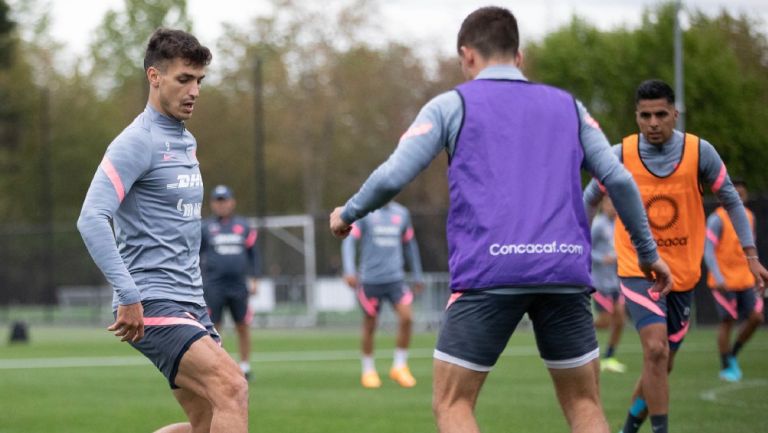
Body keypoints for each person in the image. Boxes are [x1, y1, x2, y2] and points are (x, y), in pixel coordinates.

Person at [330, 7, 672, 433]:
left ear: (467, 56)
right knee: (585, 403)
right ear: (520, 57)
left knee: (453, 404)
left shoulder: (451, 105)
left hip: (490, 272)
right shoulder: (569, 107)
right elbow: (619, 179)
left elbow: (395, 174)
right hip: (563, 271)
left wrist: (348, 212)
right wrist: (648, 253)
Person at [77, 29, 248, 433]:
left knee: (205, 421)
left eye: (199, 81)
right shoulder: (137, 141)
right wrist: (128, 293)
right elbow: (91, 217)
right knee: (233, 388)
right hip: (152, 301)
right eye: (183, 79)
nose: (194, 91)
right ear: (155, 77)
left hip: (191, 302)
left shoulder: (185, 141)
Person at [583, 79, 768, 433]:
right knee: (655, 350)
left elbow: (730, 199)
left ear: (675, 114)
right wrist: (574, 251)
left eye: (661, 114)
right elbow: (590, 198)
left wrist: (751, 256)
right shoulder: (621, 154)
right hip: (638, 269)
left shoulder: (700, 153)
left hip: (683, 274)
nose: (653, 123)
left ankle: (628, 429)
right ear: (636, 116)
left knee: (661, 363)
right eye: (645, 115)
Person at [341, 201, 424, 389]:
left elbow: (410, 245)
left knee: (407, 318)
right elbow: (349, 241)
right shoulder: (365, 211)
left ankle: (400, 366)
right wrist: (349, 270)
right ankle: (368, 370)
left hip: (395, 279)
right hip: (370, 280)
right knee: (370, 325)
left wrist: (417, 274)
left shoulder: (402, 213)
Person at [704, 180, 764, 382]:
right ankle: (726, 365)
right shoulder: (717, 219)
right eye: (735, 194)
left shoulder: (749, 217)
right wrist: (718, 276)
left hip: (746, 279)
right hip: (724, 281)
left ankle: (733, 355)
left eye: (742, 194)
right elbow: (709, 250)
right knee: (727, 321)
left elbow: (750, 250)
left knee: (757, 318)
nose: (739, 198)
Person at [200, 184, 260, 381]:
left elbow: (254, 255)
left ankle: (245, 366)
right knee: (214, 327)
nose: (222, 205)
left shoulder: (243, 226)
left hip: (238, 285)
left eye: (224, 200)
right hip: (214, 284)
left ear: (232, 202)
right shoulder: (206, 227)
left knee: (242, 325)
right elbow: (196, 254)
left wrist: (255, 278)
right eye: (218, 201)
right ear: (212, 204)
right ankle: (217, 366)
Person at [590, 196, 627, 373]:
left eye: (615, 203)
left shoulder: (620, 224)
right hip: (600, 282)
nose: (613, 207)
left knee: (620, 319)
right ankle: (575, 332)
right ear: (603, 205)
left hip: (616, 282)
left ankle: (609, 357)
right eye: (609, 203)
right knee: (605, 320)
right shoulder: (598, 224)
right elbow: (584, 247)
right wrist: (601, 258)